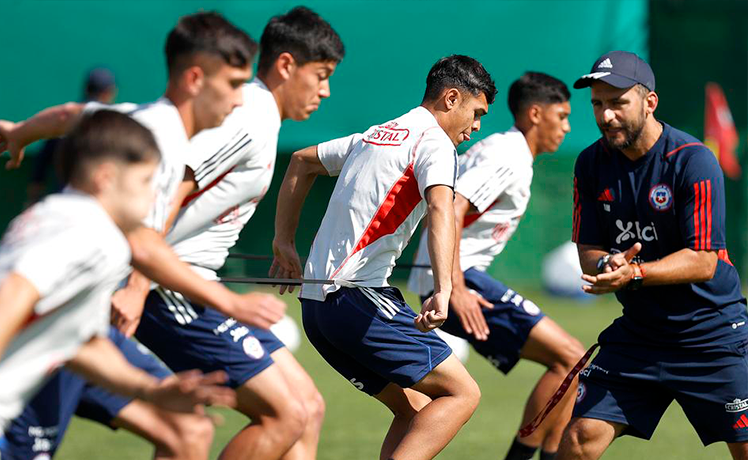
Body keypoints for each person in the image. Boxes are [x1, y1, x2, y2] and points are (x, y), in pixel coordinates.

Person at [0, 12, 284, 459]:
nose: (241, 100)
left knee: (187, 429)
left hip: (85, 327)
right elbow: (142, 244)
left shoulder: (137, 119)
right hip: (41, 331)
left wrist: (20, 131)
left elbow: (71, 114)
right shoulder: (155, 141)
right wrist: (230, 302)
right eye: (234, 84)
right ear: (196, 79)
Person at [0, 111, 234, 459]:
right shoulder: (88, 228)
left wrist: (152, 391)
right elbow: (14, 292)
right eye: (145, 182)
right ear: (105, 178)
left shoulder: (62, 217)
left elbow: (81, 345)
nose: (156, 197)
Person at [136, 7, 344, 459]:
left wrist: (282, 241)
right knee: (286, 413)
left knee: (307, 408)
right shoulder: (249, 111)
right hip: (166, 285)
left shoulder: (259, 115)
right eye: (321, 75)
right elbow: (176, 187)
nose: (326, 91)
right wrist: (136, 282)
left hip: (192, 285)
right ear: (287, 65)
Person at [271, 55, 496, 460]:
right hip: (356, 298)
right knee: (462, 393)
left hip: (317, 311)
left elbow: (300, 162)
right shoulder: (435, 143)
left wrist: (284, 243)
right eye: (476, 113)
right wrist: (444, 290)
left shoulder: (377, 134)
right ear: (450, 99)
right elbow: (443, 209)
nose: (476, 127)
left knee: (416, 411)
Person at [557, 50, 748, 460]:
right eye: (597, 104)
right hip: (640, 335)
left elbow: (704, 260)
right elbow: (588, 248)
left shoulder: (693, 160)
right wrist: (607, 266)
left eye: (618, 103)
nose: (606, 116)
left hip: (711, 334)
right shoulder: (590, 163)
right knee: (577, 441)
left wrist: (633, 274)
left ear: (649, 102)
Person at [408, 71, 585, 460]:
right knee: (571, 359)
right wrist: (456, 288)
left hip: (453, 276)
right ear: (536, 114)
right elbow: (450, 209)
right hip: (456, 279)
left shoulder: (508, 151)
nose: (567, 127)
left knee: (572, 365)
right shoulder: (509, 154)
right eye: (563, 116)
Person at [27, 67, 117, 204]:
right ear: (108, 92)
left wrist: (32, 199)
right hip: (100, 203)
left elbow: (41, 163)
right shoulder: (115, 122)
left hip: (64, 199)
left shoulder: (65, 119)